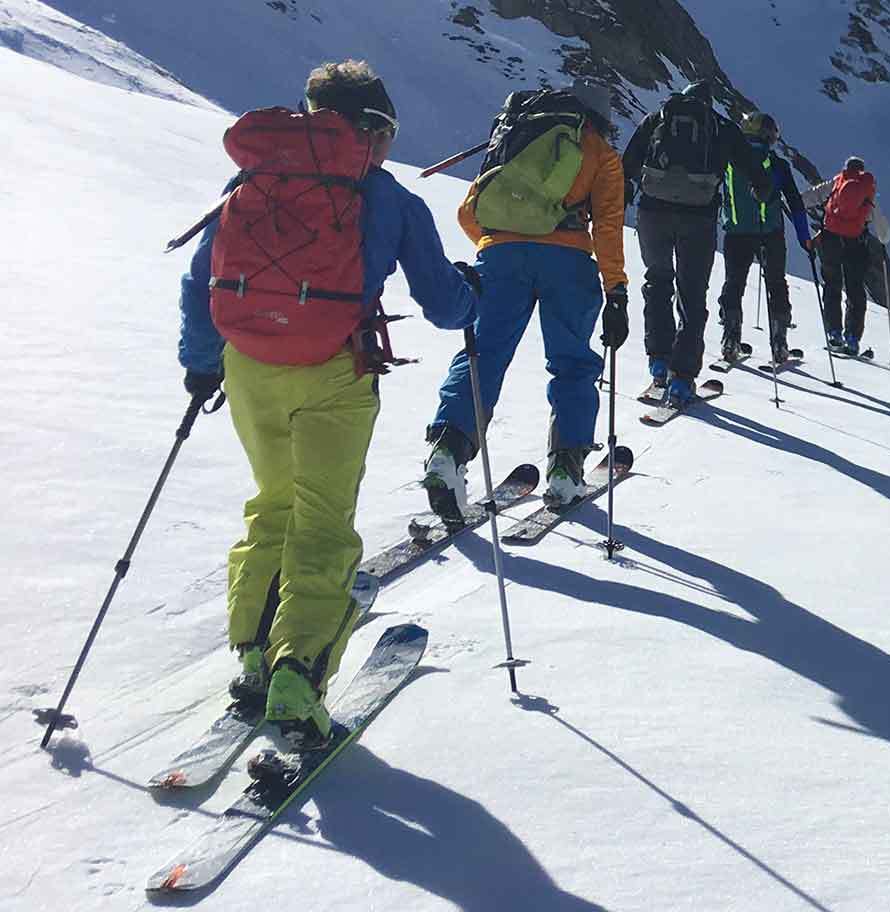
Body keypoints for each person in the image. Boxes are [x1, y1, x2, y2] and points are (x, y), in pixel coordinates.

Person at [177, 61, 480, 749]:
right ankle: (298, 680)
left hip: (250, 365)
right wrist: (473, 296)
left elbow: (203, 281)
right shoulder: (390, 200)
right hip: (334, 371)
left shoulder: (253, 181)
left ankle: (255, 656)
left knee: (273, 502)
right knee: (322, 522)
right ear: (375, 131)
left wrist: (201, 365)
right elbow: (441, 303)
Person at [424, 81, 628, 508]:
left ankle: (446, 452)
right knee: (572, 364)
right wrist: (616, 290)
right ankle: (565, 470)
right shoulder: (600, 153)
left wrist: (497, 244)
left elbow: (469, 211)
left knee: (483, 353)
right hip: (568, 263)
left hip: (500, 256)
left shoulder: (515, 133)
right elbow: (607, 227)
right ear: (600, 120)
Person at [624, 81, 766, 403]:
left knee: (657, 282)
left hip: (652, 214)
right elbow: (752, 169)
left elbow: (629, 162)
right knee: (691, 293)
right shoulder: (719, 126)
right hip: (697, 219)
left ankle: (658, 364)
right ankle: (682, 379)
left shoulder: (658, 117)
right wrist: (762, 189)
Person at [714, 111, 810, 364]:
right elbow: (795, 202)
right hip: (770, 234)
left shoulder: (729, 159)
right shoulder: (777, 164)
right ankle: (779, 343)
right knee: (776, 284)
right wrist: (805, 238)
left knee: (734, 283)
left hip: (736, 233)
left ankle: (730, 339)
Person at [808, 156, 879, 358]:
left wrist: (789, 200)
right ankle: (853, 338)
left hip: (831, 240)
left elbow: (814, 195)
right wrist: (885, 236)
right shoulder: (867, 189)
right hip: (855, 243)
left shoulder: (838, 181)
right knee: (855, 289)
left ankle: (834, 334)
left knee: (832, 285)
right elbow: (877, 220)